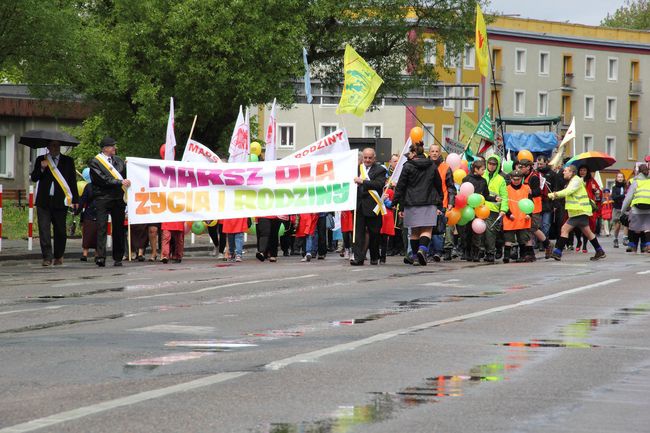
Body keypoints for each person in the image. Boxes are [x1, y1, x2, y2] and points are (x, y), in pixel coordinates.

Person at [30, 140, 80, 266]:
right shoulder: (41, 159)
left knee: (60, 231)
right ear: (48, 147)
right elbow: (34, 177)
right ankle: (47, 257)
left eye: (57, 145)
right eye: (53, 145)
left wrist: (75, 200)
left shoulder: (68, 161)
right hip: (44, 201)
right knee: (44, 230)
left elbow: (72, 181)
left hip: (60, 201)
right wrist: (41, 168)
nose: (55, 148)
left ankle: (59, 255)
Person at [393, 141, 442, 266]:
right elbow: (438, 184)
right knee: (427, 229)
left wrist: (396, 202)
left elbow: (401, 186)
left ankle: (415, 256)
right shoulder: (432, 165)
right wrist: (440, 201)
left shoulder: (407, 166)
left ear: (414, 153)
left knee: (414, 231)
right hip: (429, 201)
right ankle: (422, 250)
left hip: (411, 202)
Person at [548, 165, 606, 261]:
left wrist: (552, 195)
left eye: (565, 171)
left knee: (564, 229)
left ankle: (557, 252)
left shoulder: (575, 180)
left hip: (579, 211)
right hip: (581, 211)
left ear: (571, 172)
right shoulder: (574, 180)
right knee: (588, 233)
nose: (563, 172)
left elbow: (568, 191)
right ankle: (599, 251)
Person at [89, 137, 131, 267]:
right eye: (112, 146)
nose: (114, 148)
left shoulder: (118, 161)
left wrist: (129, 165)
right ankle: (100, 256)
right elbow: (101, 179)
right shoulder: (95, 162)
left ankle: (118, 256)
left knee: (118, 228)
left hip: (118, 198)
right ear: (105, 148)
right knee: (101, 227)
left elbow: (125, 174)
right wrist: (119, 182)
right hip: (102, 197)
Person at [350, 148, 387, 266]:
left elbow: (379, 184)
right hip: (359, 206)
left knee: (374, 233)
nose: (367, 160)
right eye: (365, 157)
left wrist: (363, 181)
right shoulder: (356, 169)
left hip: (373, 206)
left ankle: (374, 256)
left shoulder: (380, 170)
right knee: (358, 233)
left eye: (370, 158)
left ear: (374, 158)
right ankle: (358, 258)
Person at [518, 159, 552, 260]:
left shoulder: (534, 177)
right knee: (527, 229)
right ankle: (531, 253)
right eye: (520, 167)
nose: (520, 169)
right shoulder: (524, 176)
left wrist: (531, 191)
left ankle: (547, 244)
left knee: (533, 228)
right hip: (525, 206)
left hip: (534, 207)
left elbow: (538, 191)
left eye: (522, 167)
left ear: (528, 167)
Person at [429, 144, 456, 261]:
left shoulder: (446, 167)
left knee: (439, 229)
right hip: (428, 202)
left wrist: (451, 202)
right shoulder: (426, 166)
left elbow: (451, 186)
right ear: (429, 153)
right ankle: (429, 252)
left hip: (442, 202)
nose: (434, 153)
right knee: (428, 228)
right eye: (432, 151)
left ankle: (438, 252)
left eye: (436, 151)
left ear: (440, 153)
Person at [461, 159, 491, 262]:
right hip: (468, 209)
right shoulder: (467, 179)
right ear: (476, 169)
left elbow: (486, 195)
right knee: (467, 231)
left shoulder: (483, 181)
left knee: (477, 232)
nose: (484, 171)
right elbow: (463, 194)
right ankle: (467, 252)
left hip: (479, 209)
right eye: (482, 169)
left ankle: (476, 253)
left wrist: (494, 198)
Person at [502, 170, 533, 263]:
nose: (516, 181)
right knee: (508, 239)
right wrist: (508, 214)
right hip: (510, 217)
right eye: (514, 179)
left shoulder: (526, 188)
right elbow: (504, 203)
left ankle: (522, 255)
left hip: (523, 217)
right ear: (511, 179)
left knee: (522, 239)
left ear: (522, 179)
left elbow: (531, 203)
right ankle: (506, 256)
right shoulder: (506, 189)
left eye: (518, 179)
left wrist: (529, 214)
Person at [482, 154, 508, 263]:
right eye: (490, 163)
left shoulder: (500, 179)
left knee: (490, 232)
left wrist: (503, 209)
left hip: (493, 209)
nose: (491, 166)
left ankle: (491, 252)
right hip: (480, 208)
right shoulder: (482, 175)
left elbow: (504, 196)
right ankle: (480, 251)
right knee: (480, 232)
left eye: (494, 164)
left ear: (497, 166)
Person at [620, 163, 650, 253]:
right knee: (648, 228)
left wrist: (622, 211)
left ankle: (633, 247)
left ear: (638, 172)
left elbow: (628, 198)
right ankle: (648, 245)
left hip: (637, 207)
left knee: (635, 228)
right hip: (649, 207)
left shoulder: (635, 181)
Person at [76, 180, 97, 261]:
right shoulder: (104, 185)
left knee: (87, 233)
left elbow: (83, 200)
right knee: (98, 234)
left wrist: (77, 211)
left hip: (89, 212)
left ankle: (85, 254)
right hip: (100, 212)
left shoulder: (89, 186)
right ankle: (97, 254)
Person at [610, 172, 628, 248]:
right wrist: (623, 196)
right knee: (617, 225)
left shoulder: (626, 187)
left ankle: (625, 238)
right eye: (618, 177)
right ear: (616, 178)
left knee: (627, 223)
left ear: (623, 178)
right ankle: (615, 238)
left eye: (621, 177)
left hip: (625, 207)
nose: (620, 178)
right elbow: (614, 197)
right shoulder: (614, 187)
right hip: (617, 208)